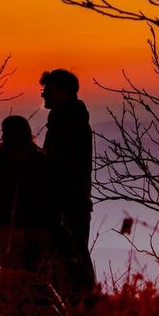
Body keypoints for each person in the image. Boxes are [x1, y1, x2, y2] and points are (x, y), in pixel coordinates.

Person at [41, 68, 96, 298]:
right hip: (68, 202)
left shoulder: (68, 123)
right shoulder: (66, 120)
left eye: (48, 91)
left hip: (68, 203)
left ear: (65, 92)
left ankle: (83, 305)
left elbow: (62, 165)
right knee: (69, 256)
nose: (43, 95)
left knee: (72, 255)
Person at [0, 115, 64, 275]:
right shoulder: (43, 161)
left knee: (13, 279)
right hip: (40, 228)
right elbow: (53, 195)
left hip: (9, 228)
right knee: (39, 279)